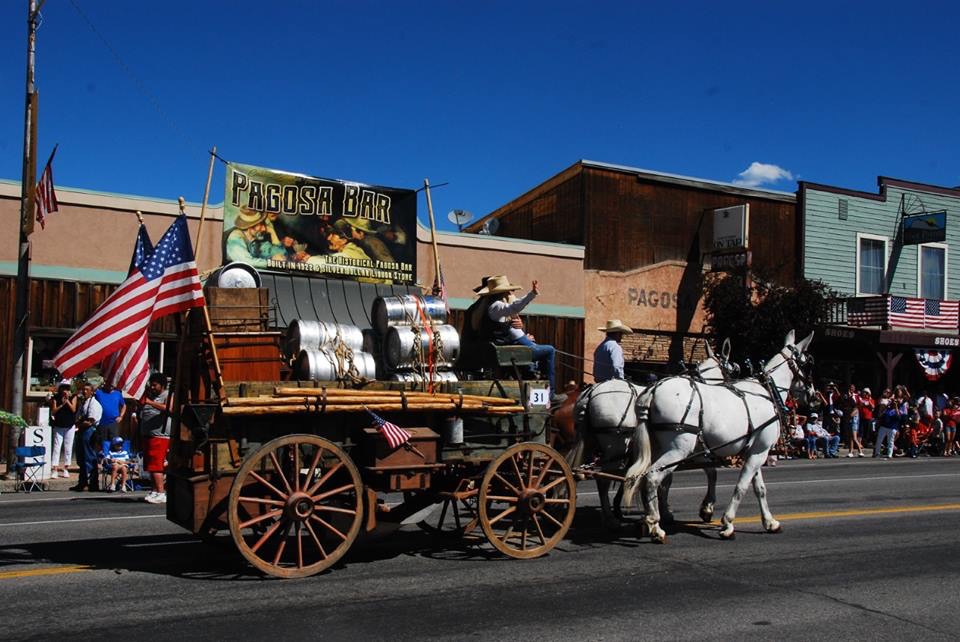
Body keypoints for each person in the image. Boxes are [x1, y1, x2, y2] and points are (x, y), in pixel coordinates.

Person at [480, 275, 563, 402]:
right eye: (508, 290)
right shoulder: (496, 306)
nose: (510, 292)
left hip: (519, 343)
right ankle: (550, 393)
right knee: (550, 350)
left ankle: (539, 381)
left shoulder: (494, 307)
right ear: (503, 292)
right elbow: (514, 307)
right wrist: (532, 294)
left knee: (542, 351)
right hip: (516, 347)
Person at [137, 372, 172, 504]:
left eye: (155, 385)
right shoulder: (152, 396)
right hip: (148, 435)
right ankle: (155, 490)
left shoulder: (167, 395)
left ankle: (161, 493)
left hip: (159, 436)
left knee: (156, 466)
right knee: (150, 465)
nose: (152, 387)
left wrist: (149, 402)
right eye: (151, 385)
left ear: (162, 385)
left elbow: (170, 408)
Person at [70, 383, 102, 492]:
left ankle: (93, 483)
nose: (84, 392)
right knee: (81, 458)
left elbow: (90, 421)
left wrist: (79, 423)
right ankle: (82, 482)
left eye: (87, 390)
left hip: (89, 432)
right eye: (83, 390)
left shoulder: (94, 404)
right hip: (81, 432)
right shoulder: (83, 403)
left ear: (92, 392)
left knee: (90, 457)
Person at [48, 380, 77, 479]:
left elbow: (73, 409)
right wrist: (61, 404)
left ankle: (66, 468)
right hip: (59, 424)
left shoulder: (73, 397)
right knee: (57, 447)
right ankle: (55, 468)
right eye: (63, 388)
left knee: (68, 447)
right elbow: (54, 410)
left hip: (70, 425)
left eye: (67, 388)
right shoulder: (56, 398)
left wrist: (67, 401)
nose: (65, 390)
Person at [94, 381, 126, 447]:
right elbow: (92, 389)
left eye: (113, 382)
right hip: (101, 423)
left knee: (114, 443)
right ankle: (103, 457)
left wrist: (121, 416)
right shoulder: (99, 392)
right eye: (110, 381)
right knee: (102, 444)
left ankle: (112, 457)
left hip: (113, 423)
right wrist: (100, 382)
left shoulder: (118, 393)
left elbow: (124, 406)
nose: (111, 384)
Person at [843, 384, 865, 457]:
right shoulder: (846, 395)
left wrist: (855, 412)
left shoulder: (856, 396)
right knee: (850, 436)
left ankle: (860, 449)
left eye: (852, 388)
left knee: (854, 435)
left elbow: (859, 405)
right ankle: (851, 451)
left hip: (854, 415)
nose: (851, 389)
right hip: (849, 415)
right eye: (850, 388)